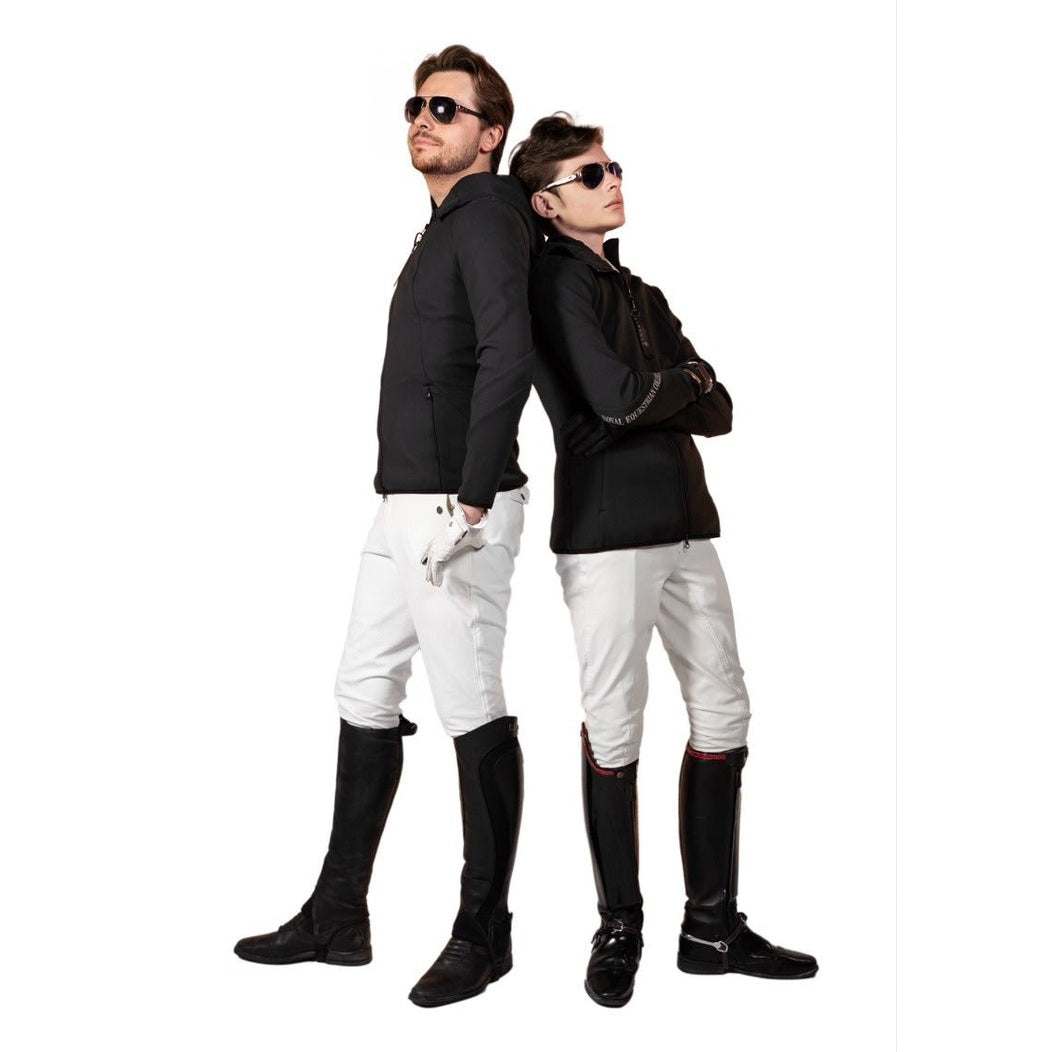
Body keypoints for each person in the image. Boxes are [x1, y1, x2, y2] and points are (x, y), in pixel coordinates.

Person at [234, 45, 538, 1010]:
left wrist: (476, 494)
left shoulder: (486, 218)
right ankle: (338, 914)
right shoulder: (442, 226)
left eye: (446, 109)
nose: (422, 119)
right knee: (364, 685)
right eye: (415, 105)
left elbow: (511, 352)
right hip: (402, 498)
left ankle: (485, 933)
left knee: (471, 703)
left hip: (455, 505)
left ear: (490, 135)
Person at [509, 115, 817, 1008]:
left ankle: (711, 927)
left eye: (612, 166)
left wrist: (668, 393)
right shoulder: (552, 284)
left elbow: (721, 410)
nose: (611, 180)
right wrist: (680, 386)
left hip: (687, 525)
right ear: (547, 203)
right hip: (608, 537)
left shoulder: (642, 292)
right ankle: (620, 927)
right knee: (615, 724)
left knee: (724, 707)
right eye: (589, 173)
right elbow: (614, 399)